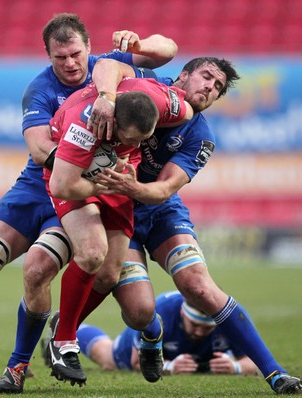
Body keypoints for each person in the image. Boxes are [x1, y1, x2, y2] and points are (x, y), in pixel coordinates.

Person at [0, 12, 178, 393]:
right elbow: (41, 148)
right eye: (60, 58)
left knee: (39, 270)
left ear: (89, 49)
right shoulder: (39, 90)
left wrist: (138, 44)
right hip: (35, 188)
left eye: (76, 54)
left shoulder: (108, 69)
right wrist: (92, 158)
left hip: (80, 194)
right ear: (48, 56)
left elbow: (168, 50)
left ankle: (18, 364)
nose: (71, 64)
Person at [87, 57, 302, 394]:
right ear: (184, 75)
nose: (210, 88)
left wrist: (132, 187)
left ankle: (276, 374)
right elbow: (106, 65)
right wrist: (106, 94)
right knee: (139, 312)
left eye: (217, 87)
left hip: (159, 210)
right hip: (118, 210)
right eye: (206, 77)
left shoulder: (201, 135)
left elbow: (163, 189)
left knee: (199, 287)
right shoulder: (147, 82)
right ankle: (150, 334)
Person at [44, 75, 193, 386]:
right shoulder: (85, 125)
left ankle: (69, 329)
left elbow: (189, 110)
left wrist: (126, 166)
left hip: (114, 178)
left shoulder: (164, 102)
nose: (138, 146)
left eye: (144, 139)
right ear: (112, 124)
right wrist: (99, 182)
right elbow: (61, 184)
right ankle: (64, 342)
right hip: (73, 176)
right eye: (132, 138)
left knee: (110, 274)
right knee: (92, 252)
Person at [76, 290, 259, 376]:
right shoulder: (160, 312)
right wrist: (169, 366)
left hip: (188, 355)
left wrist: (236, 367)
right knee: (108, 358)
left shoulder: (228, 317)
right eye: (194, 324)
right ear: (182, 313)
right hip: (149, 350)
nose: (199, 331)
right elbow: (136, 362)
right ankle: (69, 329)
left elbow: (257, 360)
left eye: (207, 328)